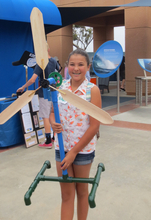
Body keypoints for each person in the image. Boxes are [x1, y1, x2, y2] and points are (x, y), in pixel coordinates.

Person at [49, 48, 101, 220]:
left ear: (88, 66)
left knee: (82, 192)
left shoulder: (92, 90)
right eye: (72, 64)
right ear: (66, 67)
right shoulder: (59, 86)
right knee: (66, 195)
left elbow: (94, 126)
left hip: (82, 150)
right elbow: (51, 112)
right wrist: (52, 122)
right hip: (61, 148)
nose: (76, 68)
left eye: (80, 64)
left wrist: (73, 152)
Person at [17, 43, 59, 149]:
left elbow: (32, 79)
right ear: (48, 49)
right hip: (54, 91)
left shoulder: (40, 63)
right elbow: (58, 73)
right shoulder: (54, 61)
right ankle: (54, 137)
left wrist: (23, 87)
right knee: (52, 114)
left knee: (45, 116)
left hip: (44, 92)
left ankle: (48, 140)